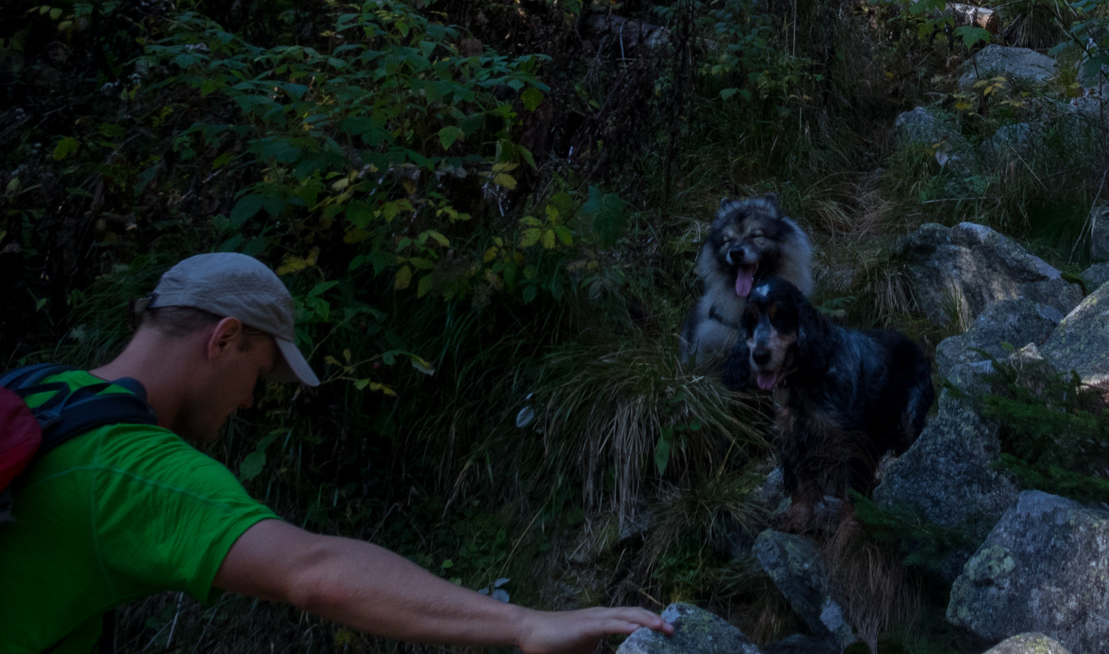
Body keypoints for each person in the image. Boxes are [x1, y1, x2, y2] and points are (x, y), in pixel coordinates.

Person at [0, 253, 673, 654]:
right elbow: (315, 570)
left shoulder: (38, 389)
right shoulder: (128, 470)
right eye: (258, 376)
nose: (251, 405)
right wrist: (525, 622)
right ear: (225, 337)